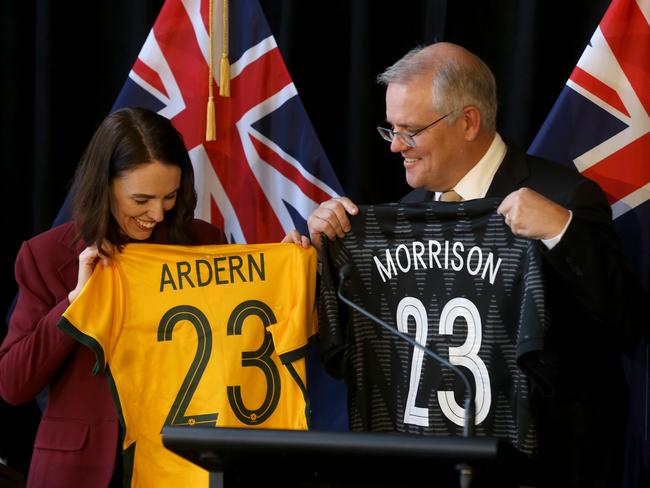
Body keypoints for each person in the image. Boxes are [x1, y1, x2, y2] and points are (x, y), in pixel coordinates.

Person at [308, 42, 648, 486]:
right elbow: (352, 350)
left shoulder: (563, 197)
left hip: (541, 472)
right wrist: (321, 254)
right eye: (389, 128)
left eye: (409, 130)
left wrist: (561, 232)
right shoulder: (401, 217)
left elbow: (626, 320)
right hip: (429, 471)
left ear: (468, 122)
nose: (395, 147)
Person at [0, 107, 309, 488]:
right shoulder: (46, 255)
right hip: (79, 470)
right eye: (141, 199)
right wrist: (75, 303)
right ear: (104, 185)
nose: (157, 213)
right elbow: (13, 384)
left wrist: (281, 269)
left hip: (177, 463)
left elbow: (238, 337)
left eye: (170, 196)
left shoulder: (203, 243)